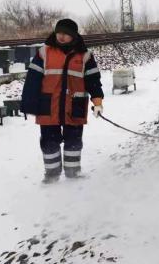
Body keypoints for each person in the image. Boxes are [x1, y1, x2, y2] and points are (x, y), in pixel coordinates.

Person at [20, 18, 104, 183]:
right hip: (48, 104)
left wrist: (98, 102)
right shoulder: (44, 52)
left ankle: (73, 173)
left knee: (74, 141)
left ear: (73, 36)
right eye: (59, 32)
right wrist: (29, 103)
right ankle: (52, 175)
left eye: (66, 34)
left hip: (75, 104)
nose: (61, 36)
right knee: (49, 141)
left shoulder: (85, 55)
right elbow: (33, 80)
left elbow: (93, 81)